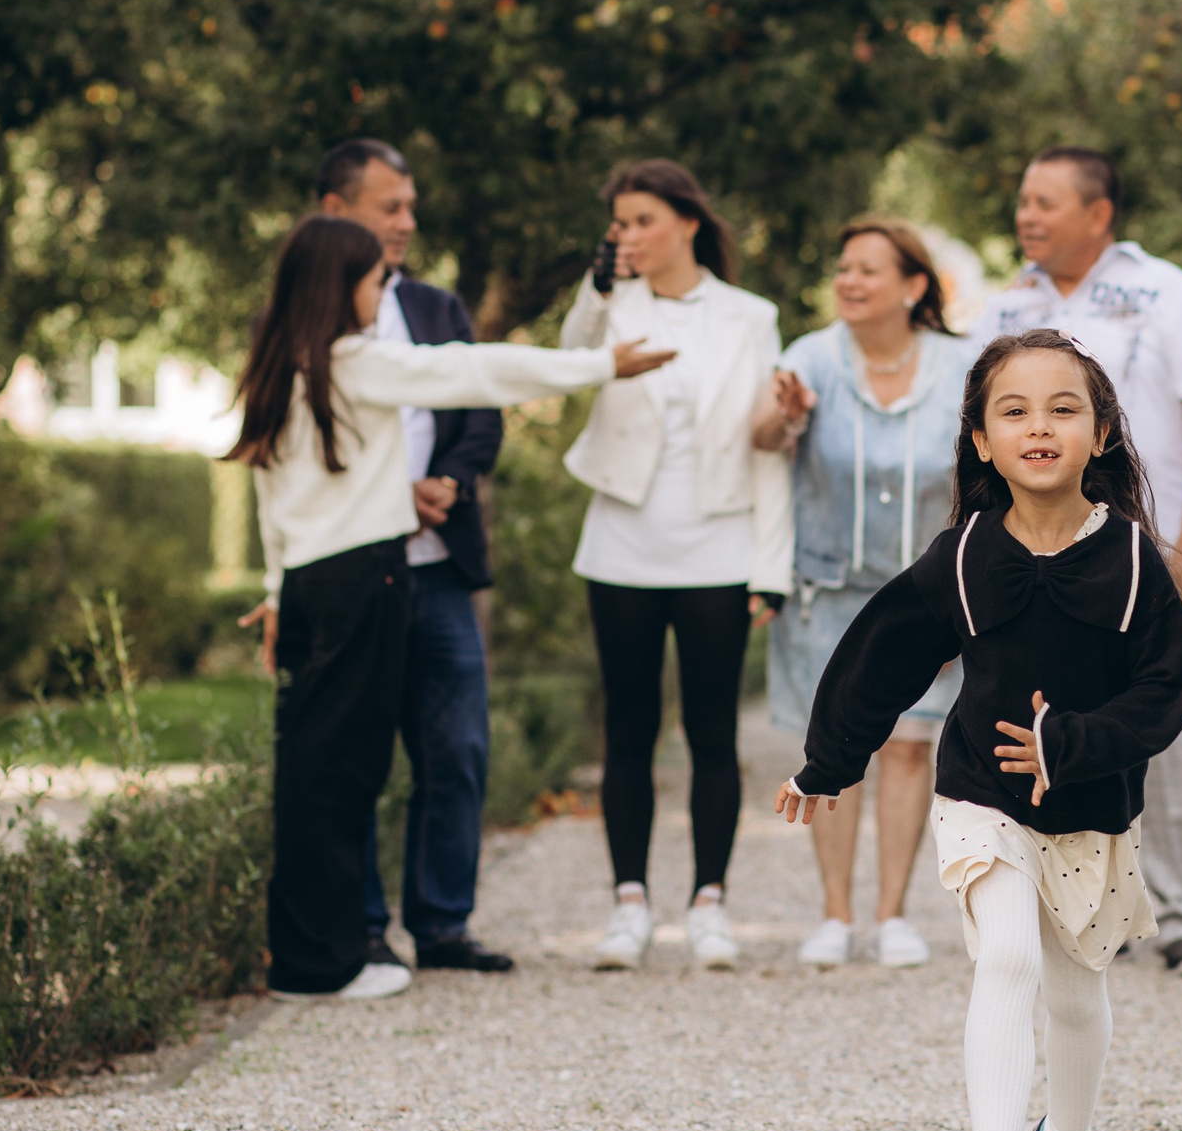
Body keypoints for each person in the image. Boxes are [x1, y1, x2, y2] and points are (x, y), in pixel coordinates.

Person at [776, 330, 1182, 1131]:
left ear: (1100, 436)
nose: (1037, 426)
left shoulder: (1132, 563)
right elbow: (880, 654)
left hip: (1089, 811)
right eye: (1013, 410)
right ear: (979, 439)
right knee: (1005, 957)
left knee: (1076, 996)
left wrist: (1074, 741)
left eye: (1063, 408)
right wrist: (828, 762)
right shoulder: (963, 555)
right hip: (979, 795)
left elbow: (1166, 692)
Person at [229, 216, 666, 1001]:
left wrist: (273, 592)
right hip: (363, 580)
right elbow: (471, 373)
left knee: (309, 772)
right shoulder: (350, 361)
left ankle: (305, 955)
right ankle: (321, 963)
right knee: (344, 774)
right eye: (370, 282)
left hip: (309, 583)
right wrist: (600, 363)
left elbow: (270, 500)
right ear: (340, 287)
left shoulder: (282, 364)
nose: (379, 295)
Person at [978, 148, 1182, 973]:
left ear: (1098, 214)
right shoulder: (1007, 304)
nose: (1027, 216)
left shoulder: (1169, 294)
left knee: (1171, 726)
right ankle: (1091, 907)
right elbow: (978, 432)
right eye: (1022, 199)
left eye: (1045, 202)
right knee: (1051, 720)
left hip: (1148, 546)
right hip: (1036, 553)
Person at [558, 160, 793, 973]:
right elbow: (569, 357)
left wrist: (772, 567)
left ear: (688, 222)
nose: (626, 236)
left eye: (641, 220)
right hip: (622, 542)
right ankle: (628, 903)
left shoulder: (750, 316)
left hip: (718, 546)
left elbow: (770, 446)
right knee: (627, 728)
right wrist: (596, 286)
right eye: (618, 223)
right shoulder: (608, 303)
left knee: (711, 731)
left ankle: (710, 904)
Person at [310, 139, 513, 976]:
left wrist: (448, 483)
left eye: (409, 206)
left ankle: (442, 925)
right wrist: (396, 494)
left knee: (457, 748)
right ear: (335, 211)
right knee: (355, 750)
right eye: (389, 206)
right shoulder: (299, 321)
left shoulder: (436, 308)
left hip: (439, 570)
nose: (406, 222)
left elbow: (481, 413)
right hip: (352, 573)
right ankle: (359, 927)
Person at [754, 216, 975, 970]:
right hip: (828, 592)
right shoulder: (809, 358)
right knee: (831, 750)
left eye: (867, 269)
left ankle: (891, 917)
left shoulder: (962, 365)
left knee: (911, 750)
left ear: (914, 287)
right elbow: (758, 437)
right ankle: (835, 915)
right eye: (843, 267)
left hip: (924, 596)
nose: (849, 280)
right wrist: (782, 413)